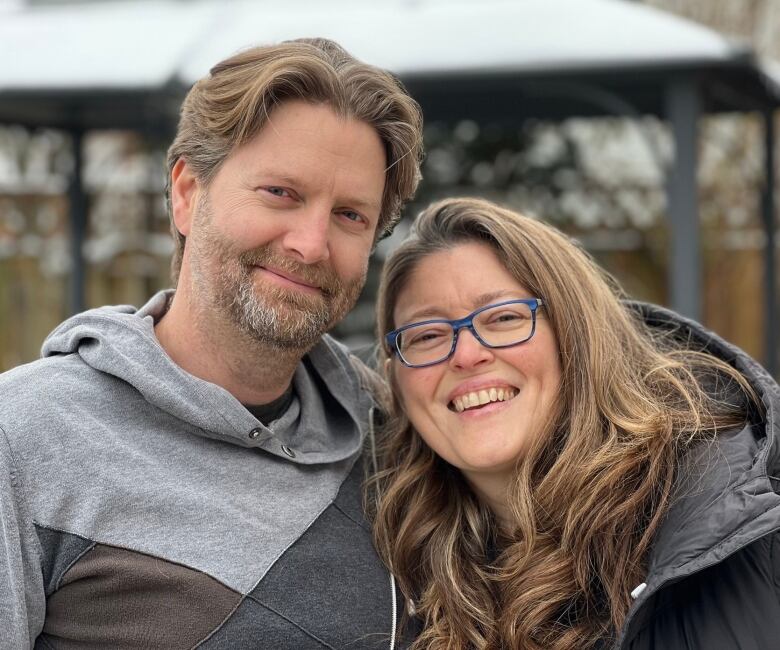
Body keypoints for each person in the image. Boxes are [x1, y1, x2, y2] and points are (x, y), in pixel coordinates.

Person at [0, 38, 423, 649]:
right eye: (281, 192)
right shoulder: (24, 438)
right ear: (187, 194)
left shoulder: (398, 444)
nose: (311, 243)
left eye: (350, 215)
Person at [371, 196, 780, 650]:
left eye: (504, 317)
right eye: (426, 335)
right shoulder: (391, 577)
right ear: (396, 380)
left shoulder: (749, 528)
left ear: (576, 333)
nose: (467, 354)